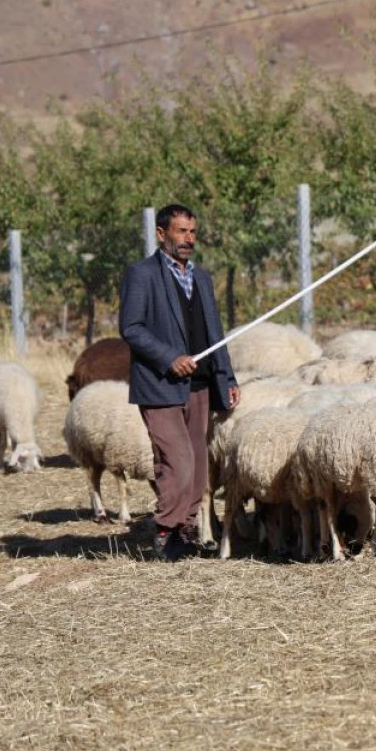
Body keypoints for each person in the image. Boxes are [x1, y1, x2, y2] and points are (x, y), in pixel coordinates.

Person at [120, 204, 241, 561]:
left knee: (199, 465)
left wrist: (226, 376)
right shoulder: (141, 275)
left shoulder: (201, 278)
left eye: (192, 232)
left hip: (201, 383)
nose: (188, 239)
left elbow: (214, 333)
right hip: (160, 384)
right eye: (181, 232)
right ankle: (164, 530)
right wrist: (168, 358)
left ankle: (184, 531)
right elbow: (131, 328)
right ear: (162, 234)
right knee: (177, 460)